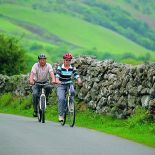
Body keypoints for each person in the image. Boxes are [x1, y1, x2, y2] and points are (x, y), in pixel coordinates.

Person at [55, 53, 82, 122]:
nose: (68, 61)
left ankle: (71, 105)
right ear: (64, 60)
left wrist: (79, 79)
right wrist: (57, 80)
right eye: (66, 60)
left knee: (72, 92)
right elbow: (57, 75)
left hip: (69, 84)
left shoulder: (72, 67)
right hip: (61, 84)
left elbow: (75, 74)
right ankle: (61, 115)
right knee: (61, 99)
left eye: (69, 60)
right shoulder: (60, 67)